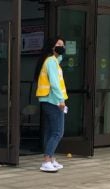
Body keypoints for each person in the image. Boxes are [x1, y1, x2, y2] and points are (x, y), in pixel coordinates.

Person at [35, 37, 67, 173]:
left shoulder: (53, 61)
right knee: (58, 132)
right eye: (59, 44)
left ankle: (51, 159)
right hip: (53, 101)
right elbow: (54, 83)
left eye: (63, 45)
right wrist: (61, 100)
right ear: (52, 47)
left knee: (50, 132)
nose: (62, 46)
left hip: (48, 100)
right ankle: (47, 160)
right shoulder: (51, 62)